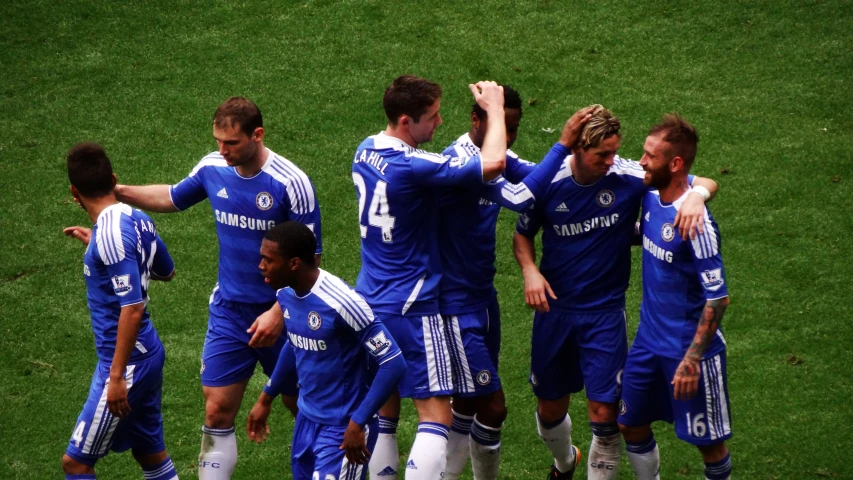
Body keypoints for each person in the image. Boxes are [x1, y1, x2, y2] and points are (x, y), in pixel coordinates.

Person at [114, 97, 319, 479]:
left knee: (305, 407)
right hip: (229, 311)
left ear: (257, 135)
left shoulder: (291, 183)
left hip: (284, 315)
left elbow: (312, 262)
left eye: (232, 143)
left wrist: (279, 311)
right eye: (218, 141)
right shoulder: (213, 167)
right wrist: (119, 192)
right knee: (216, 411)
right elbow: (173, 197)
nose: (222, 151)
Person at [513, 105, 719, 480]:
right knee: (549, 410)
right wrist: (529, 271)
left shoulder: (627, 177)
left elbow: (688, 175)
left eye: (615, 151)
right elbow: (522, 234)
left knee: (605, 418)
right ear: (577, 149)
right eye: (602, 155)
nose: (613, 161)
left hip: (605, 314)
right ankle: (564, 462)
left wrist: (698, 194)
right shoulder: (550, 183)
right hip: (554, 312)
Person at [354, 75, 511, 480]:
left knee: (386, 412)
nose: (440, 123)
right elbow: (493, 164)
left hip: (370, 298)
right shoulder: (413, 165)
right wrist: (494, 111)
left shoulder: (365, 150)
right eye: (433, 117)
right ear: (407, 121)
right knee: (436, 413)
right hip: (413, 304)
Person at [439, 88, 595, 480]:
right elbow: (521, 196)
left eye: (513, 129)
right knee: (493, 406)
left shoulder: (499, 158)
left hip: (482, 300)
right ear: (476, 121)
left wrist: (594, 166)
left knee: (468, 405)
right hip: (452, 303)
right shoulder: (460, 163)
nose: (507, 138)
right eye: (499, 127)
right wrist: (562, 144)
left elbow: (547, 177)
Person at [243, 221, 406, 480]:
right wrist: (266, 397)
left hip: (343, 427)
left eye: (267, 260)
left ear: (294, 263)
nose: (261, 266)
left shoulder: (343, 304)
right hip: (307, 421)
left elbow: (393, 362)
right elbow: (296, 344)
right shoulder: (286, 294)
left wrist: (358, 422)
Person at [618, 114, 732, 480]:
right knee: (629, 424)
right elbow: (649, 230)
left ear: (675, 163)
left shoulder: (696, 224)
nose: (642, 161)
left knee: (708, 443)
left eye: (650, 155)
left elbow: (718, 300)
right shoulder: (651, 195)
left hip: (688, 351)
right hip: (647, 344)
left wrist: (691, 361)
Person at [61, 143, 179, 480]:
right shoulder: (136, 217)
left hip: (127, 363)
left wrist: (115, 377)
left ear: (74, 192)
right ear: (113, 179)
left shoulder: (110, 233)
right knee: (149, 451)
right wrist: (97, 247)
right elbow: (165, 271)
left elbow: (132, 308)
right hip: (147, 353)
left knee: (76, 463)